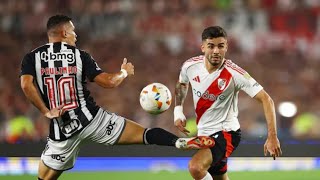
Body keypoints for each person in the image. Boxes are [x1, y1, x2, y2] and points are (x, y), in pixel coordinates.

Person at [20, 14, 213, 180]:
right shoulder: (80, 56)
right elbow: (109, 82)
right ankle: (178, 142)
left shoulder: (32, 57)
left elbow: (26, 85)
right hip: (93, 121)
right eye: (72, 31)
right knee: (144, 134)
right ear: (63, 33)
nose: (75, 35)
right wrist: (123, 72)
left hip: (62, 130)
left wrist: (46, 111)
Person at [173, 26, 282, 180]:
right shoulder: (190, 66)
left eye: (220, 46)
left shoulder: (235, 73)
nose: (216, 51)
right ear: (202, 47)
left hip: (226, 133)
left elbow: (266, 99)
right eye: (211, 46)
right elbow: (182, 84)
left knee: (196, 167)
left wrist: (272, 136)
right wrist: (178, 111)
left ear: (226, 47)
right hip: (204, 133)